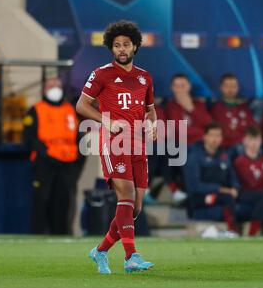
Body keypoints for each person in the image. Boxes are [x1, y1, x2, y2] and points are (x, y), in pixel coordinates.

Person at [76, 20, 155, 274]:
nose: (121, 49)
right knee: (126, 195)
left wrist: (153, 125)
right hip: (114, 143)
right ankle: (131, 257)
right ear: (111, 48)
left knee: (136, 207)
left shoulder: (144, 77)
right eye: (117, 45)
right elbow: (82, 105)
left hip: (138, 144)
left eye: (126, 44)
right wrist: (105, 119)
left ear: (135, 46)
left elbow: (150, 111)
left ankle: (100, 251)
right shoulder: (101, 74)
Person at [23, 77, 80, 235]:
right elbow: (29, 138)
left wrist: (76, 161)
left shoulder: (70, 110)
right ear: (44, 90)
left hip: (67, 163)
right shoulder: (36, 110)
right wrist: (45, 153)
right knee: (42, 199)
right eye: (51, 85)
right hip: (45, 163)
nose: (55, 88)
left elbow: (78, 138)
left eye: (58, 85)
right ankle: (39, 233)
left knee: (63, 201)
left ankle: (61, 233)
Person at [182, 122, 240, 235]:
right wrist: (219, 189)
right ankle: (233, 231)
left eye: (218, 136)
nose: (215, 139)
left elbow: (232, 177)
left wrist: (235, 188)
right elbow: (194, 186)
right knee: (227, 198)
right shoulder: (194, 156)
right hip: (200, 197)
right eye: (212, 135)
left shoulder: (224, 156)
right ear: (205, 137)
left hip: (220, 196)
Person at [165, 73, 212, 202]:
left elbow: (209, 125)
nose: (180, 89)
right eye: (176, 86)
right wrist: (201, 133)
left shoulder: (198, 104)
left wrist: (190, 108)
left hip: (199, 144)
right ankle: (193, 197)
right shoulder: (171, 106)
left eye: (183, 86)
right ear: (172, 88)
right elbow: (179, 129)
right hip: (181, 144)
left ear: (189, 87)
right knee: (187, 152)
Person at [211, 73, 256, 152]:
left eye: (233, 86)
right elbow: (222, 132)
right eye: (227, 86)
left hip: (245, 145)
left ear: (238, 88)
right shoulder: (216, 108)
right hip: (226, 147)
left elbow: (252, 128)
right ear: (221, 88)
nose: (230, 89)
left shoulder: (244, 107)